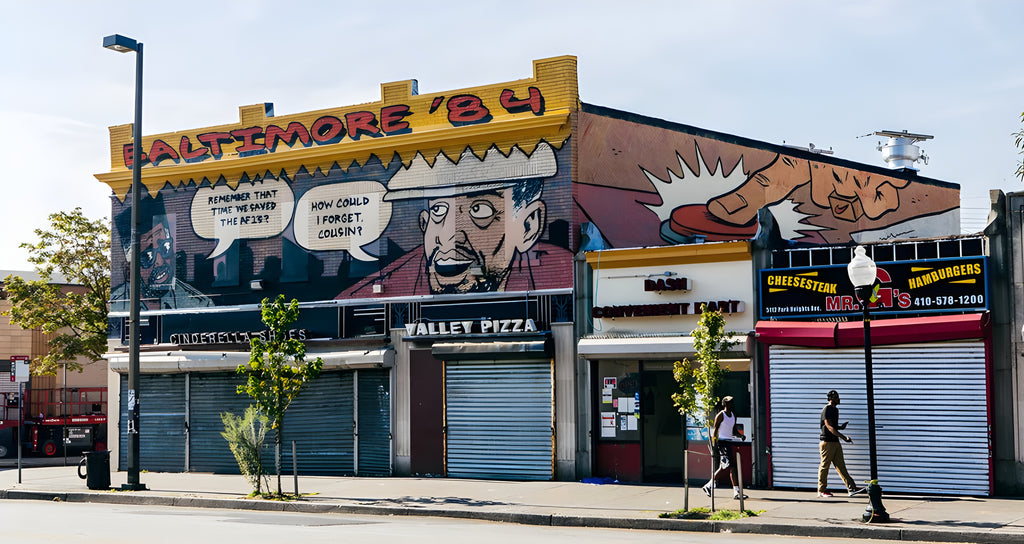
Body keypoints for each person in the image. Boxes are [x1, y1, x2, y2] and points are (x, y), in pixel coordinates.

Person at [338, 141, 571, 297]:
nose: (451, 236)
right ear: (424, 224)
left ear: (528, 226)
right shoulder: (367, 295)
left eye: (480, 210)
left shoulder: (567, 280)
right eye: (439, 211)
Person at [818, 389, 865, 498]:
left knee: (841, 466)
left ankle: (851, 488)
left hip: (835, 441)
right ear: (831, 399)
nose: (839, 399)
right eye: (837, 397)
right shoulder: (828, 409)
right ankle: (821, 490)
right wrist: (844, 437)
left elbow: (833, 426)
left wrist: (841, 427)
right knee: (824, 466)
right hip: (827, 442)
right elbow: (829, 427)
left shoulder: (835, 410)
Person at [702, 396, 747, 500]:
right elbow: (715, 430)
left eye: (732, 402)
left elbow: (734, 430)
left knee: (732, 467)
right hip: (722, 443)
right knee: (725, 466)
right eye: (729, 403)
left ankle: (736, 492)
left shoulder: (733, 415)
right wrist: (715, 444)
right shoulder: (720, 415)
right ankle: (709, 485)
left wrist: (740, 436)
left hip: (729, 442)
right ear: (724, 404)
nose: (732, 404)